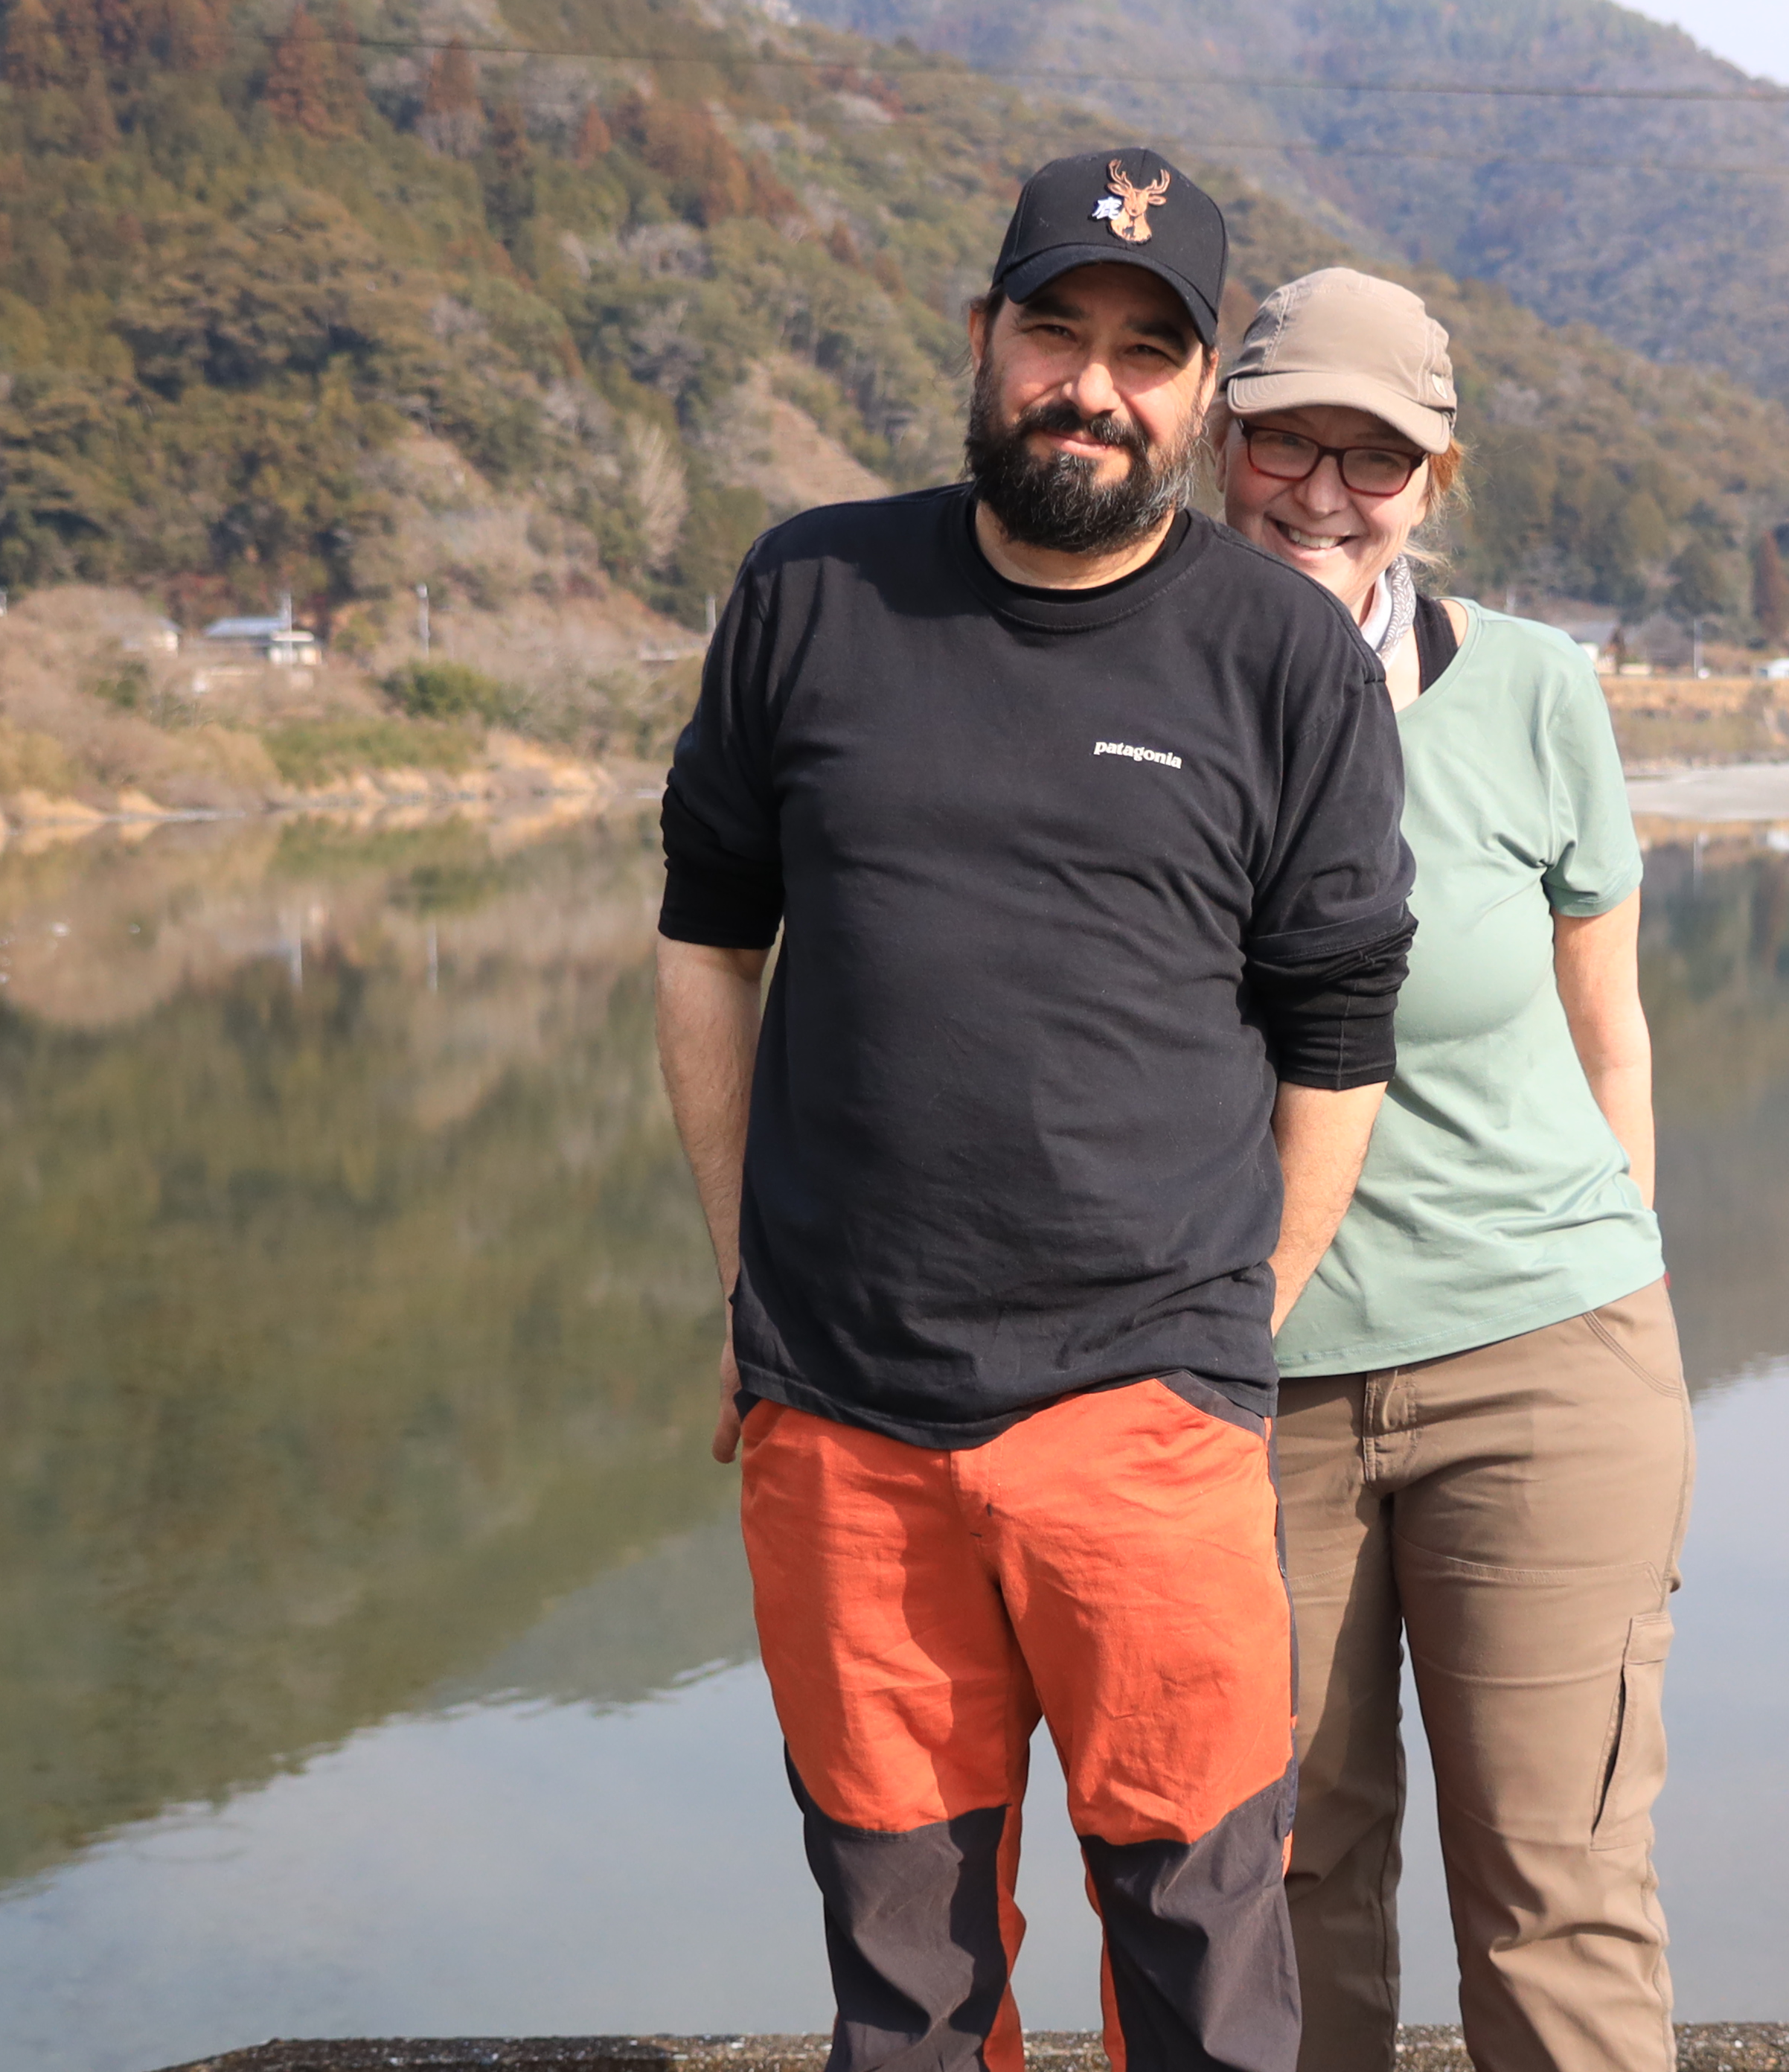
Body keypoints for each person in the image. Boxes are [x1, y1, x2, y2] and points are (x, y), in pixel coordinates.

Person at [654, 158, 1417, 2072]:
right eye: (1056, 332)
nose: (1094, 385)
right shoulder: (810, 591)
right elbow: (703, 944)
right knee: (901, 1977)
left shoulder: (1278, 654)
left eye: (1147, 353)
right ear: (982, 339)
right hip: (843, 1417)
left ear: (1201, 395)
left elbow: (1339, 1029)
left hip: (1145, 1417)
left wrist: (1235, 1331)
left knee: (1199, 1948)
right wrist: (753, 1284)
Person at [1217, 269, 1691, 2072]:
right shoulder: (1125, 696)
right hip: (1252, 1381)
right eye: (1286, 442)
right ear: (1218, 439)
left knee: (1555, 1896)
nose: (1324, 492)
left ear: (1439, 476)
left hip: (1546, 1365)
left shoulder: (1538, 690)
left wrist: (1624, 1275)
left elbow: (1610, 1027)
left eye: (1376, 457)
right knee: (1276, 1883)